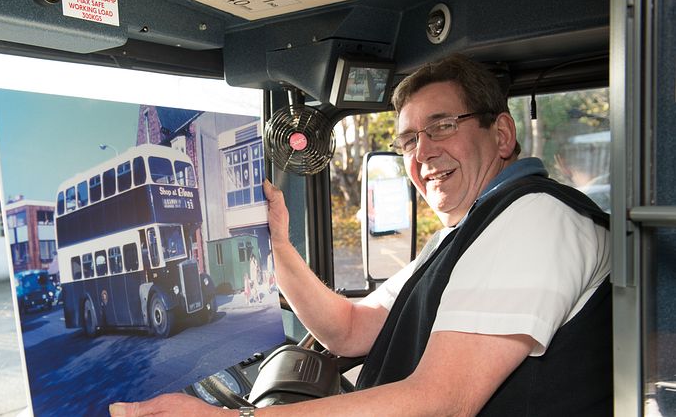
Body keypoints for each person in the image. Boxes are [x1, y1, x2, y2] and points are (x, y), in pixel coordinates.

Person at [109, 53, 611, 417]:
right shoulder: (464, 233)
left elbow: (442, 402)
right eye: (409, 139)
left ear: (501, 134)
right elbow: (349, 328)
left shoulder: (534, 219)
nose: (422, 154)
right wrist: (278, 246)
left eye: (441, 127)